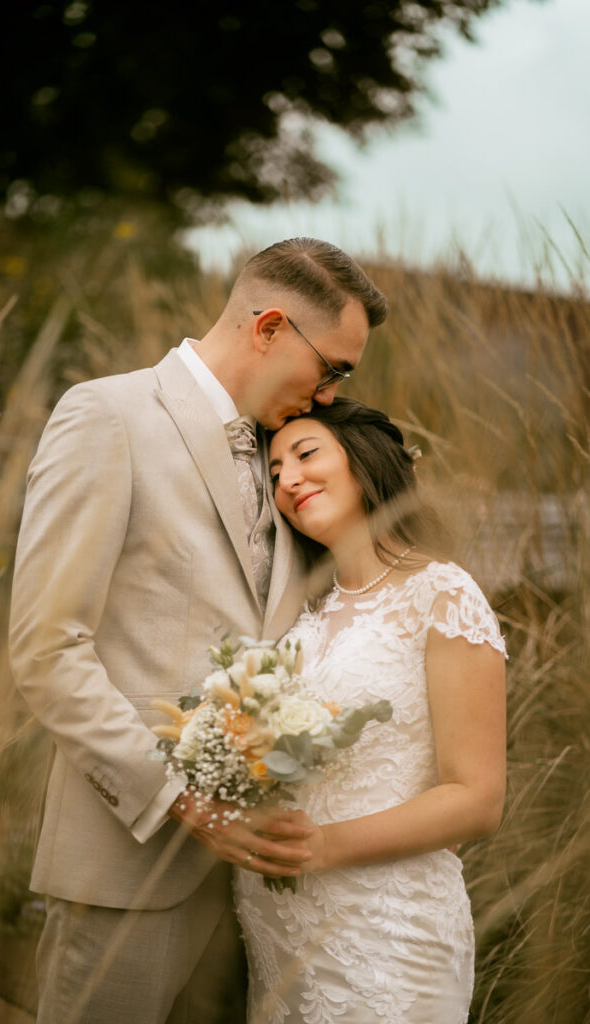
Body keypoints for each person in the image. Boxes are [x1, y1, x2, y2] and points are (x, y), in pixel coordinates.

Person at [8, 238, 388, 1024]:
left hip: (258, 900)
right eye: (333, 368)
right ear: (270, 326)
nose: (327, 396)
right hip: (125, 872)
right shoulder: (106, 415)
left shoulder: (292, 463)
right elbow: (47, 650)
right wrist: (185, 800)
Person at [234, 397, 507, 1024]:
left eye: (305, 455)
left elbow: (477, 798)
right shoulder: (304, 617)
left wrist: (322, 846)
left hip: (385, 932)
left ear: (364, 461)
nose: (288, 480)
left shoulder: (441, 592)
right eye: (273, 474)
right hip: (281, 938)